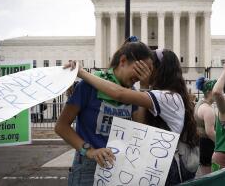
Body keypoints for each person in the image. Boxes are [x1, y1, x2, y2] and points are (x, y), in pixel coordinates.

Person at [74, 49, 199, 185]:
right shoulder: (163, 96)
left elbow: (119, 94)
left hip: (165, 170)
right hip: (156, 169)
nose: (142, 71)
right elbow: (140, 126)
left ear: (158, 70)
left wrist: (82, 73)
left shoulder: (168, 97)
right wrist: (144, 85)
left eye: (149, 67)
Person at [55, 36, 153, 186]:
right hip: (88, 167)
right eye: (139, 70)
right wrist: (90, 151)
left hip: (119, 165)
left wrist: (145, 87)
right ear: (123, 61)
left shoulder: (132, 92)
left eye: (145, 73)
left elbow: (141, 128)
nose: (139, 77)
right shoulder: (88, 86)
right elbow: (61, 126)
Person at [194, 77, 217, 175]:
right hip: (208, 145)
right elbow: (210, 132)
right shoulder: (207, 109)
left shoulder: (200, 103)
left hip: (203, 144)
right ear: (209, 91)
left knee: (206, 174)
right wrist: (223, 144)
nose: (219, 92)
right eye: (216, 90)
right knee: (209, 176)